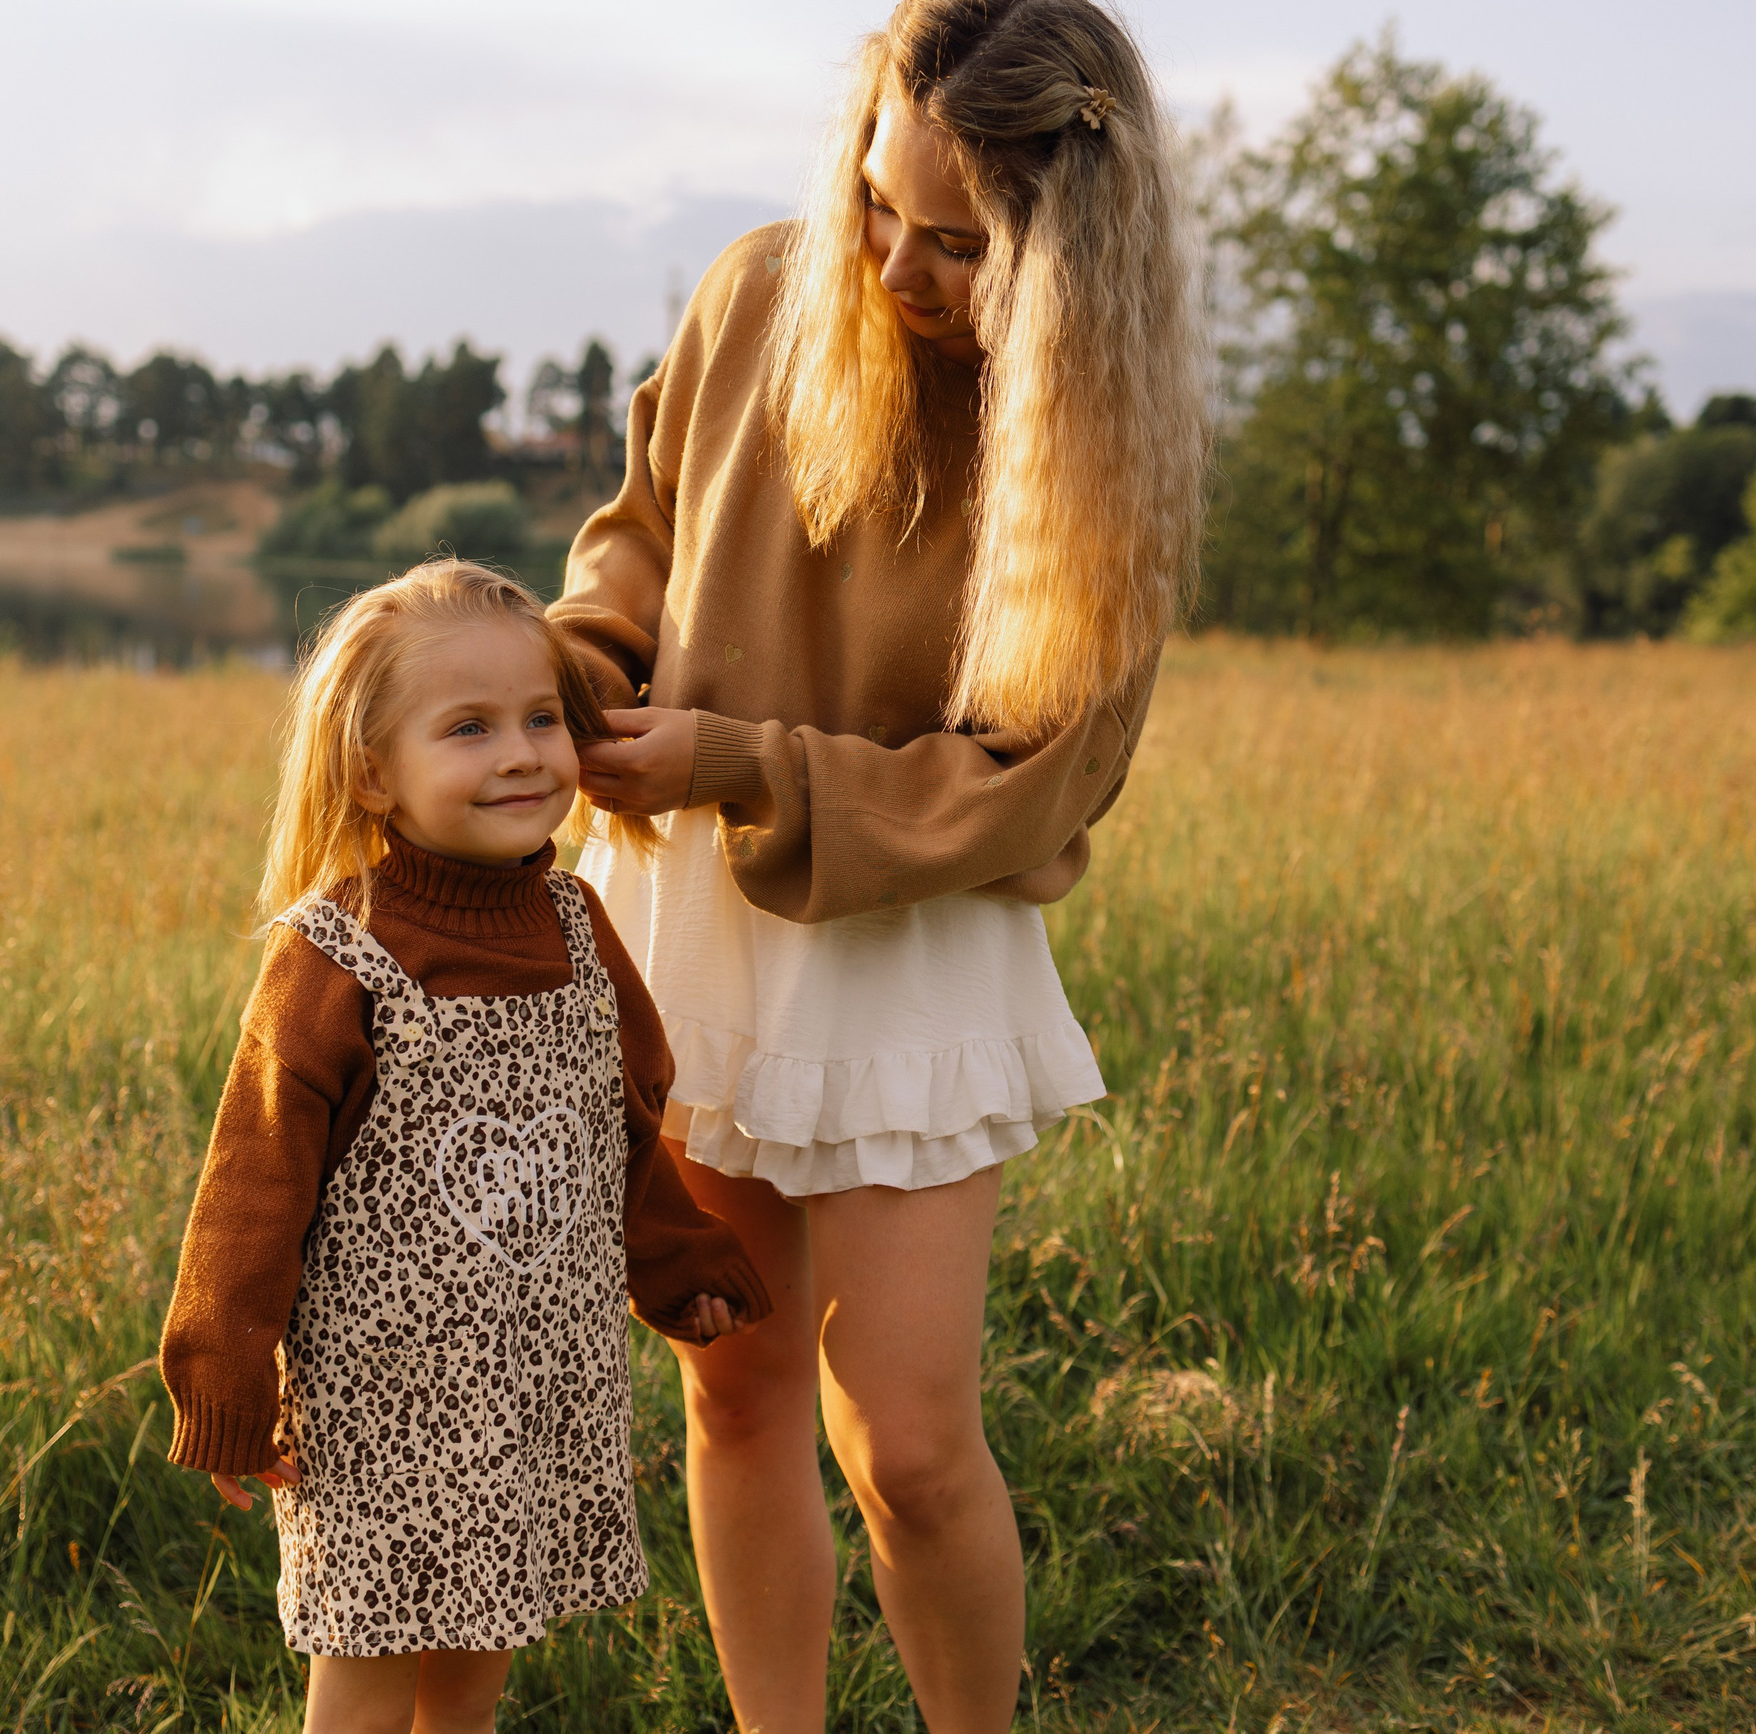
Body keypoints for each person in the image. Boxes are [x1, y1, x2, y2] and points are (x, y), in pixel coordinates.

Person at [547, 1, 1206, 1728]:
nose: (899, 262)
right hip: (696, 904)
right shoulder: (762, 290)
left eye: (961, 244)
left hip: (910, 930)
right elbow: (640, 543)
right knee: (738, 1392)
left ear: (1066, 260)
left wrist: (743, 758)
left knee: (906, 1438)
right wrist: (574, 670)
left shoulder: (1108, 457)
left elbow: (1032, 787)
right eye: (877, 206)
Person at [156, 562, 771, 1734]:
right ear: (374, 772)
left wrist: (680, 1261)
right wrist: (222, 1371)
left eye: (543, 718)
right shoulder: (338, 954)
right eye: (470, 729)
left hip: (529, 1389)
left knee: (474, 1676)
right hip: (378, 1401)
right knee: (370, 1671)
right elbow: (251, 1187)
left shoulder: (581, 930)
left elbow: (621, 1131)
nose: (522, 754)